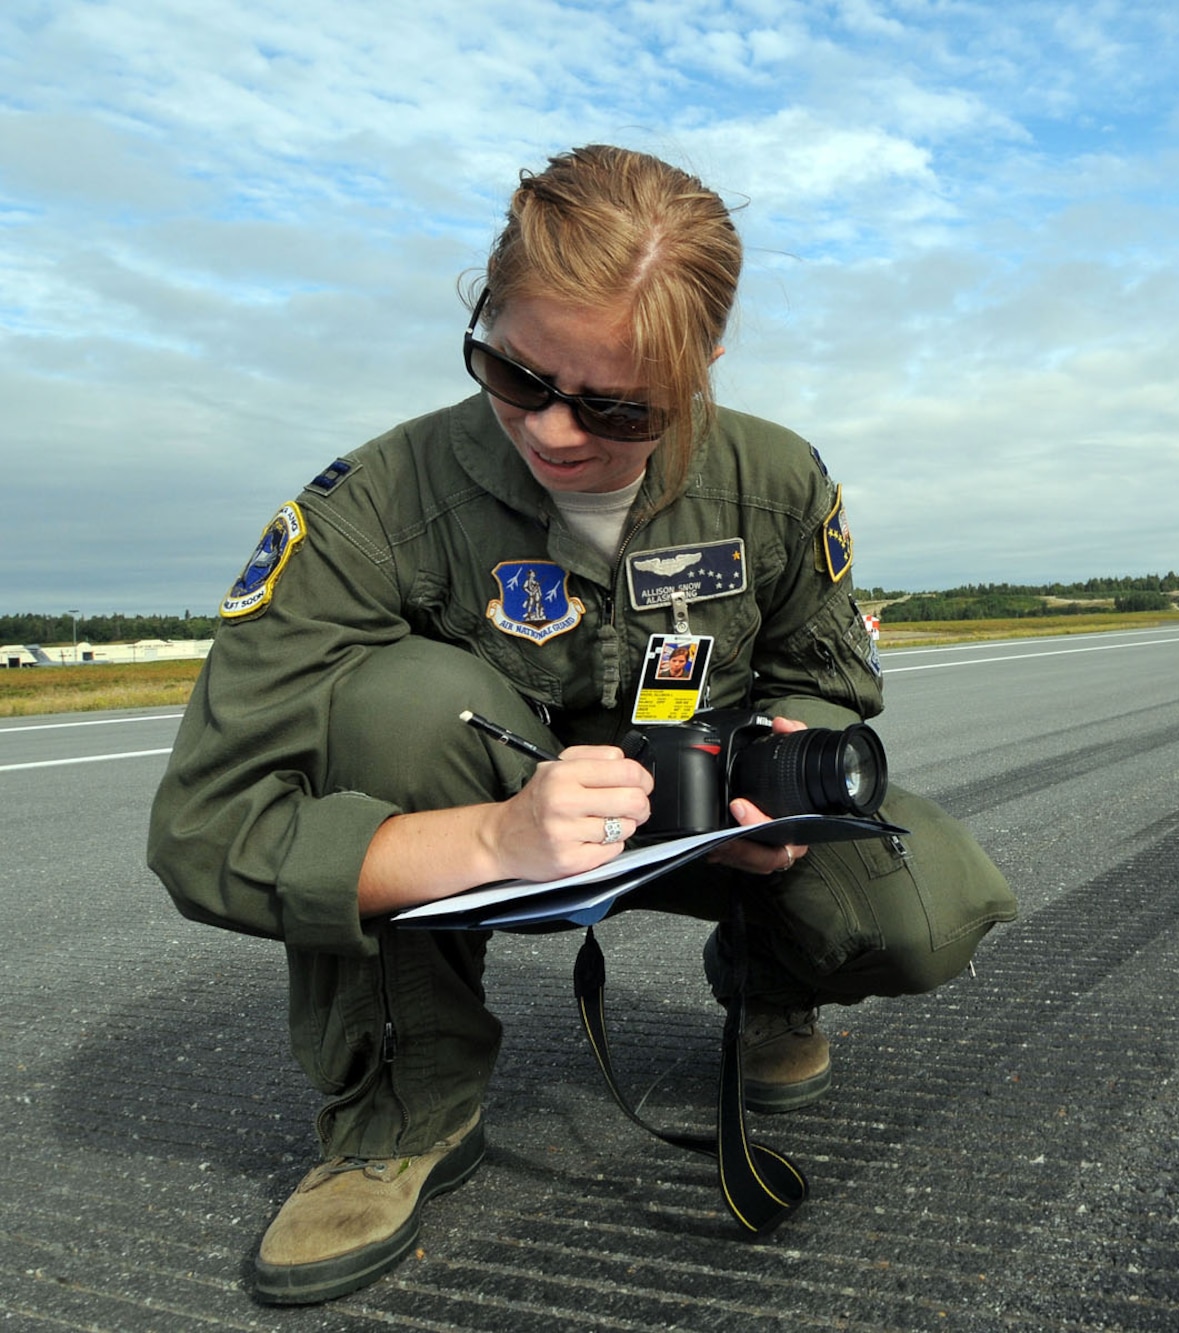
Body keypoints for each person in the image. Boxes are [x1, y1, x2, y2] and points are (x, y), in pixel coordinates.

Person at [147, 145, 1016, 1306]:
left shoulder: (776, 480)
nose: (554, 431)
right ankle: (401, 1104)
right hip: (483, 820)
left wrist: (778, 785)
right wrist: (494, 842)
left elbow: (827, 675)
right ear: (484, 310)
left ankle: (770, 981)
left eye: (616, 406)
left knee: (919, 908)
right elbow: (207, 826)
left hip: (702, 816)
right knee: (391, 704)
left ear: (701, 366)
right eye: (513, 374)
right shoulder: (374, 504)